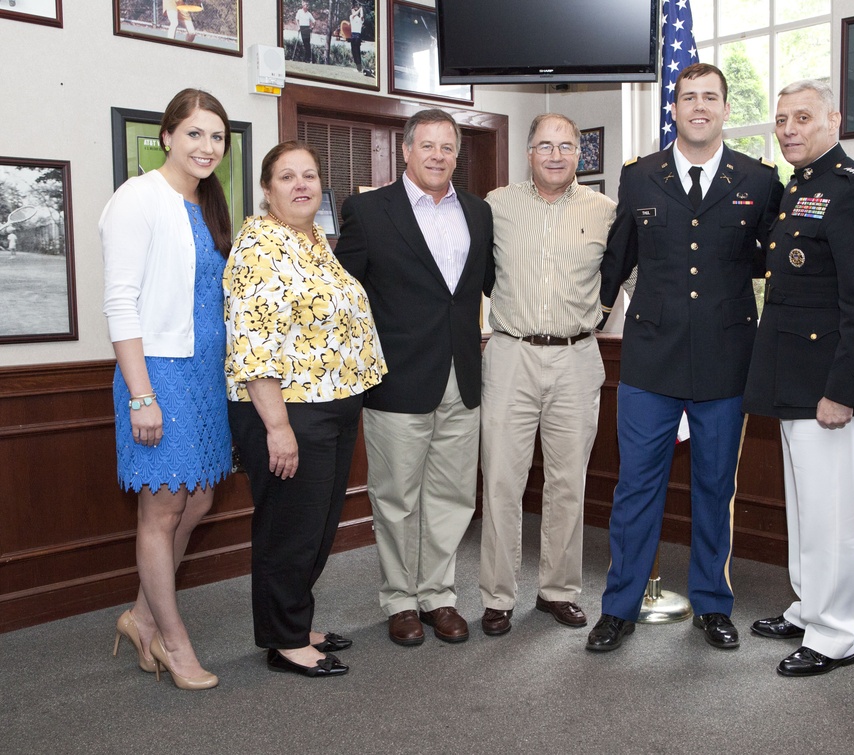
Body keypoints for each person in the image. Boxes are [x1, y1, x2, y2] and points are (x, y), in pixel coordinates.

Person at [587, 63, 782, 653]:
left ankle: (713, 604)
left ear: (725, 108)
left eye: (710, 97)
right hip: (651, 358)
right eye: (688, 96)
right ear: (673, 108)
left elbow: (770, 262)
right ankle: (619, 607)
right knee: (635, 488)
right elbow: (617, 258)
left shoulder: (760, 178)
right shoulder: (640, 177)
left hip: (726, 358)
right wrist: (586, 318)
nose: (699, 106)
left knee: (714, 487)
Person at [743, 79, 854, 678]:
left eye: (802, 117)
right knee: (807, 507)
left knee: (834, 512)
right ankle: (810, 607)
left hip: (834, 386)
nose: (788, 129)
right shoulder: (798, 191)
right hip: (795, 379)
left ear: (834, 120)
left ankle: (836, 634)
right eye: (781, 120)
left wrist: (840, 392)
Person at [225, 141, 387, 678]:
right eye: (287, 176)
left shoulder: (314, 240)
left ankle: (294, 620)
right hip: (287, 410)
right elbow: (254, 344)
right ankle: (284, 639)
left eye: (310, 176)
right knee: (289, 527)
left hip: (334, 404)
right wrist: (278, 428)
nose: (301, 184)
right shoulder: (260, 245)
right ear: (267, 189)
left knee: (316, 525)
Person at [335, 109, 493, 646]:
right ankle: (400, 600)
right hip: (397, 379)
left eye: (447, 148)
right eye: (427, 146)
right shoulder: (367, 210)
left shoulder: (477, 211)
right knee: (397, 498)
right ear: (406, 151)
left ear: (456, 155)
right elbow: (347, 295)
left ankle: (438, 596)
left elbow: (478, 288)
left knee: (452, 496)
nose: (437, 156)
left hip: (462, 376)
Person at [101, 88, 233, 690]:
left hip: (205, 373)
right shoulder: (139, 197)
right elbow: (120, 302)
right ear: (168, 136)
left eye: (216, 137)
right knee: (162, 508)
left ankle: (139, 615)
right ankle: (172, 643)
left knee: (199, 500)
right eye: (195, 134)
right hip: (157, 373)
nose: (207, 147)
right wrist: (140, 394)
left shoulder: (208, 203)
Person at [478, 114, 615, 637]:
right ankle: (497, 595)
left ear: (579, 153)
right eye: (544, 146)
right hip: (511, 353)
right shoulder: (496, 205)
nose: (555, 155)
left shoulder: (604, 211)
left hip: (578, 357)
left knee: (567, 483)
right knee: (502, 481)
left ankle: (558, 590)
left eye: (565, 146)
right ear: (528, 152)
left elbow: (631, 275)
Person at [349, 1, 364, 72]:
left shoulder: (359, 19)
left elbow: (362, 16)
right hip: (353, 36)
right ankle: (358, 67)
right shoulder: (351, 17)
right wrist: (359, 9)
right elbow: (355, 14)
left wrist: (361, 9)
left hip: (357, 35)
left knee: (357, 51)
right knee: (353, 51)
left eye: (353, 10)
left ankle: (359, 67)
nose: (352, 11)